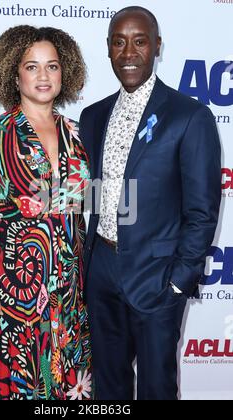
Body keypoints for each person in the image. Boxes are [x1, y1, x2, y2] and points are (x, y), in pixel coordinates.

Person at [79, 6, 221, 400]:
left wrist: (179, 281)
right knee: (108, 387)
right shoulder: (93, 116)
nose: (129, 52)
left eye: (139, 41)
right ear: (108, 49)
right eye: (119, 42)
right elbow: (98, 194)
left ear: (157, 46)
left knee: (157, 389)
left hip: (158, 277)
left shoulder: (189, 116)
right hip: (101, 272)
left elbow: (201, 211)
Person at [0, 25, 93, 400]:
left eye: (52, 67)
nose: (43, 76)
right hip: (15, 296)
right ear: (13, 72)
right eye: (32, 66)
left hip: (71, 297)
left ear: (64, 72)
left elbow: (82, 212)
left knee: (71, 390)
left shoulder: (77, 134)